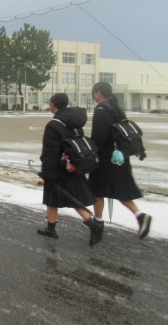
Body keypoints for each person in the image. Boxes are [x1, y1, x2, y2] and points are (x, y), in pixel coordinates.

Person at [37, 93, 103, 246]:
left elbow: (50, 151)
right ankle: (51, 228)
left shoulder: (53, 125)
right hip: (73, 165)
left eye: (50, 102)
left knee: (65, 198)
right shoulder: (75, 123)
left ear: (53, 104)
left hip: (58, 168)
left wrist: (47, 172)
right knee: (61, 198)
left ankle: (91, 223)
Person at [89, 82, 152, 239]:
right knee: (120, 190)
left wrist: (91, 151)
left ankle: (98, 223)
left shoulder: (101, 111)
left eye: (94, 93)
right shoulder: (116, 109)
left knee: (97, 190)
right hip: (120, 157)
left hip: (105, 159)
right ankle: (140, 215)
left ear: (98, 93)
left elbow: (99, 137)